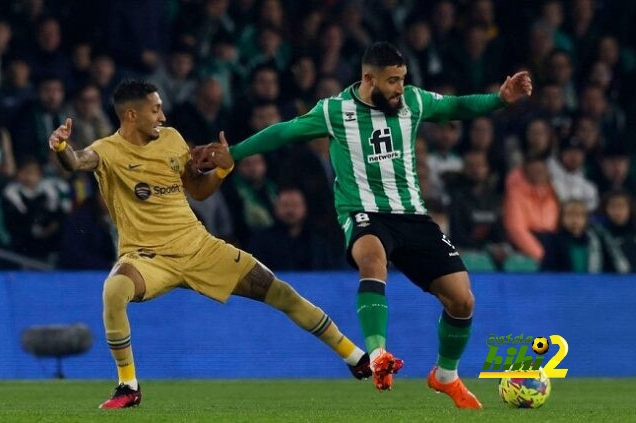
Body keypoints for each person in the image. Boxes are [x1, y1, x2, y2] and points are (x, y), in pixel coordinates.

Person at [195, 42, 532, 407]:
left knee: (462, 300)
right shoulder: (335, 110)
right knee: (373, 261)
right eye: (392, 81)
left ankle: (445, 375)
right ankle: (378, 356)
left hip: (413, 215)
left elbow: (456, 107)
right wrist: (236, 153)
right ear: (368, 78)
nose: (399, 88)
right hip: (363, 212)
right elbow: (284, 132)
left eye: (402, 79)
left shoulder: (414, 102)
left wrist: (499, 99)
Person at [47, 80, 370, 410]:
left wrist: (224, 169)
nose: (162, 115)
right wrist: (61, 148)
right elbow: (77, 161)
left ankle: (356, 357)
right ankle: (128, 385)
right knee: (114, 290)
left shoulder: (172, 140)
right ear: (132, 114)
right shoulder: (108, 150)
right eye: (155, 109)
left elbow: (198, 191)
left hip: (199, 247)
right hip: (148, 257)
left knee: (280, 292)